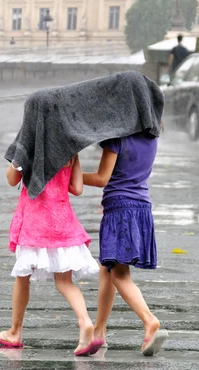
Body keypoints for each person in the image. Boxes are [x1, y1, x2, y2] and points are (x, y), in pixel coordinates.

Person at [0, 155, 101, 356]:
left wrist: (18, 159)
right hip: (62, 221)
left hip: (34, 221)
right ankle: (85, 322)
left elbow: (12, 179)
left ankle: (15, 332)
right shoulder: (70, 150)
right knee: (65, 282)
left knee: (23, 278)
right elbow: (77, 188)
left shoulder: (30, 146)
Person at [83, 131, 169, 357]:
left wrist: (69, 175)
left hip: (120, 209)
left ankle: (149, 320)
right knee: (107, 268)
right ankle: (99, 331)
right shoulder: (151, 137)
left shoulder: (116, 139)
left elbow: (102, 178)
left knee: (119, 274)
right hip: (141, 207)